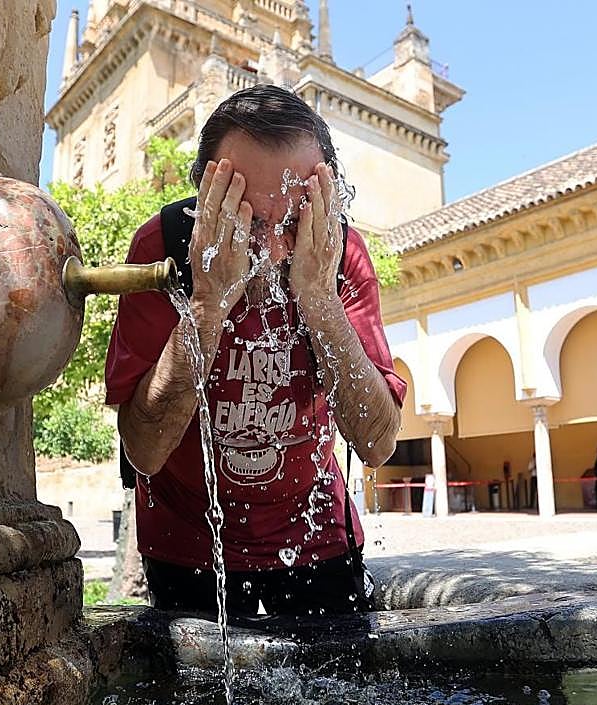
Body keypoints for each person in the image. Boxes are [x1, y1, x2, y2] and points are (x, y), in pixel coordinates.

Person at [104, 86, 405, 618]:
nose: (273, 250)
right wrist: (207, 304)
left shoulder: (338, 255)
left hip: (317, 536)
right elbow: (144, 451)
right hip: (187, 544)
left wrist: (319, 300)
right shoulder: (162, 251)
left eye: (294, 222)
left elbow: (377, 442)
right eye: (250, 224)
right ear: (208, 202)